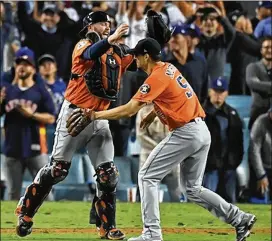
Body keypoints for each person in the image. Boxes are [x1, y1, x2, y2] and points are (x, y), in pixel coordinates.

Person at [66, 38, 257, 241]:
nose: (135, 59)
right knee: (192, 189)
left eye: (137, 55)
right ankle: (240, 219)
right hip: (201, 131)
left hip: (186, 133)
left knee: (147, 176)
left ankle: (151, 233)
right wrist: (153, 113)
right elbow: (175, 95)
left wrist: (95, 115)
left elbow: (130, 110)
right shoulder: (169, 68)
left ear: (146, 55)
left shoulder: (155, 77)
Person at [15, 11, 133, 240]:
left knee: (108, 174)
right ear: (90, 26)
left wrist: (154, 42)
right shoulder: (83, 44)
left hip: (98, 117)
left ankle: (107, 227)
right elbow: (90, 53)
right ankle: (26, 211)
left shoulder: (116, 53)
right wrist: (110, 40)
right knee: (57, 170)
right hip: (75, 115)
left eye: (108, 23)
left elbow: (140, 59)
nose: (106, 26)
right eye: (101, 23)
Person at [0, 47, 56, 200]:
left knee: (46, 194)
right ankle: (12, 224)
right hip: (11, 149)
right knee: (12, 194)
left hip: (36, 148)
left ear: (33, 68)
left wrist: (33, 115)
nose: (22, 67)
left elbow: (52, 117)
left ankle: (49, 222)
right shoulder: (7, 91)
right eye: (19, 63)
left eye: (26, 63)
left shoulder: (40, 90)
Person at [203, 77, 244, 203]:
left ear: (226, 93)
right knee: (209, 204)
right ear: (210, 92)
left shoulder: (232, 113)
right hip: (209, 167)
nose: (218, 95)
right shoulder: (201, 113)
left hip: (229, 166)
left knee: (230, 204)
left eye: (221, 92)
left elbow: (239, 141)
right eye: (215, 91)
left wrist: (234, 161)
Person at [136, 104, 181, 202]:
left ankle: (181, 214)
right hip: (149, 155)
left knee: (176, 190)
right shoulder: (143, 111)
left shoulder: (174, 108)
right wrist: (159, 148)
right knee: (148, 191)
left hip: (171, 154)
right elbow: (141, 136)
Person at [246, 36, 272, 129]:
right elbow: (253, 84)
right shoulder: (253, 67)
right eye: (266, 47)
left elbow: (260, 85)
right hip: (258, 113)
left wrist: (263, 85)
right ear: (261, 50)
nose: (269, 50)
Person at [248, 106, 272, 202]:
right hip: (263, 167)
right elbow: (254, 150)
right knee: (259, 199)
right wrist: (261, 175)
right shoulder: (261, 122)